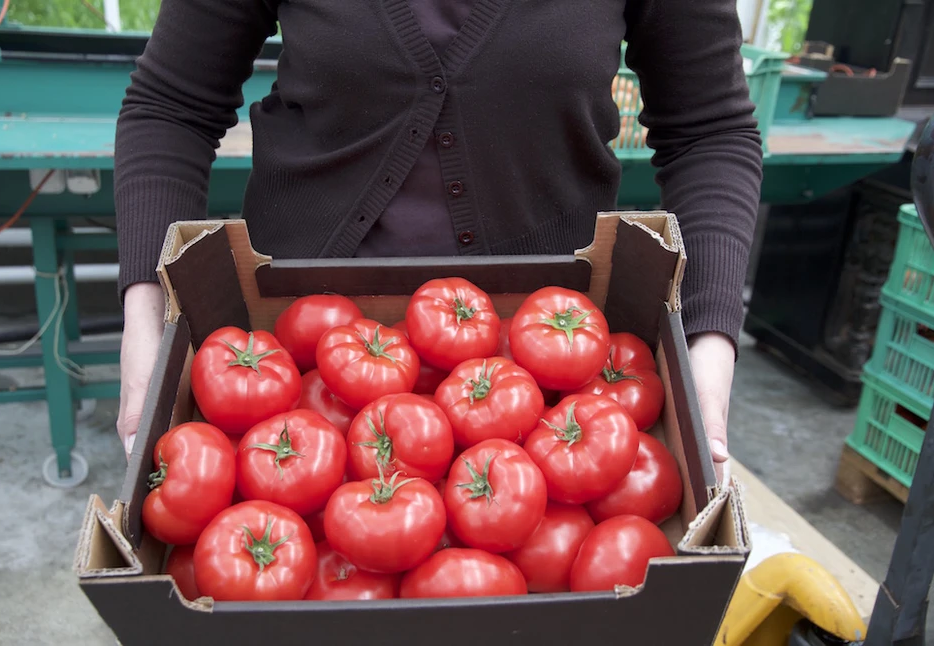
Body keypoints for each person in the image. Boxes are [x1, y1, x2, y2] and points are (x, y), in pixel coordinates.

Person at [114, 0, 762, 485]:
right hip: (293, 365)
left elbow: (710, 129)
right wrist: (145, 321)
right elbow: (171, 104)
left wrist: (705, 352)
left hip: (546, 369)